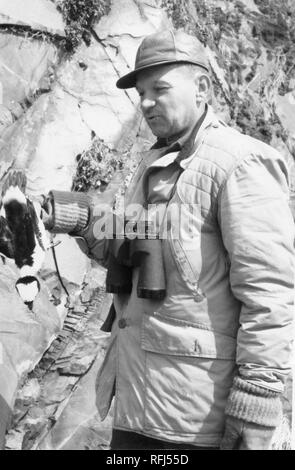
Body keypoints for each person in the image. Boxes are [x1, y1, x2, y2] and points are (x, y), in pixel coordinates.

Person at [39, 29, 294, 450]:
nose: (146, 102)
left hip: (198, 419)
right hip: (137, 403)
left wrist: (260, 394)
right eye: (141, 92)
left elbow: (270, 291)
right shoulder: (154, 161)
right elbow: (131, 246)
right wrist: (78, 217)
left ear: (202, 88)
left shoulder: (242, 162)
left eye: (159, 88)